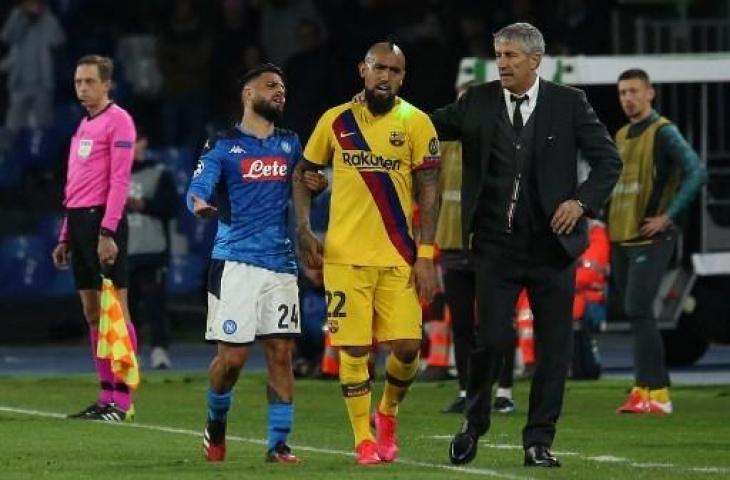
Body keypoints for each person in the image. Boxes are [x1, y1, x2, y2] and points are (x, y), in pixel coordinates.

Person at [433, 23, 621, 468]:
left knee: (554, 351)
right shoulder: (477, 101)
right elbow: (425, 125)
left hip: (552, 250)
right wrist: (383, 109)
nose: (502, 62)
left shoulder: (568, 103)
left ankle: (538, 441)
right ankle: (474, 422)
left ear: (535, 61)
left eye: (512, 55)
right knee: (492, 340)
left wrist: (581, 201)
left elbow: (608, 161)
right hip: (495, 247)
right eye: (499, 54)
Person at [293, 41, 440, 465]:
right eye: (379, 68)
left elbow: (430, 194)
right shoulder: (335, 121)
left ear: (402, 77)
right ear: (363, 69)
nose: (386, 76)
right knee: (354, 352)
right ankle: (363, 440)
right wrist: (304, 228)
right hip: (344, 257)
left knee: (409, 346)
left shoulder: (417, 123)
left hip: (398, 256)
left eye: (395, 71)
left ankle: (387, 412)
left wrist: (426, 255)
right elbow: (304, 174)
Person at [186, 63, 325, 464]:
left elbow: (304, 181)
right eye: (271, 85)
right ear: (248, 94)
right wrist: (197, 201)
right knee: (231, 360)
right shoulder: (223, 145)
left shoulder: (290, 143)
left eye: (283, 86)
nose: (281, 91)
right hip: (235, 264)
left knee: (281, 351)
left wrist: (318, 186)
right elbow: (199, 182)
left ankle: (278, 443)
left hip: (280, 264)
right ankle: (215, 424)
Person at [609, 68, 706, 415]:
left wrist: (669, 216)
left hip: (652, 237)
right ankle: (643, 390)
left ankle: (659, 394)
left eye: (634, 91)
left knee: (639, 310)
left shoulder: (663, 132)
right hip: (622, 237)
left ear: (650, 93)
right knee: (635, 314)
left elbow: (697, 170)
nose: (628, 98)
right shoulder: (621, 135)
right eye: (622, 93)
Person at [51, 55, 138, 422]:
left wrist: (107, 231)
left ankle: (124, 401)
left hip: (103, 221)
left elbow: (119, 180)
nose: (82, 87)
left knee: (114, 311)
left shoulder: (119, 122)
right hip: (79, 221)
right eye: (77, 82)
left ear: (106, 85)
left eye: (89, 81)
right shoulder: (82, 126)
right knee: (91, 313)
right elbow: (75, 184)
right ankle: (105, 396)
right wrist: (65, 234)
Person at [437, 80, 517, 416]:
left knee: (496, 323)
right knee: (461, 325)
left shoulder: (501, 140)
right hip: (453, 245)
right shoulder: (441, 145)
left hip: (489, 245)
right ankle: (469, 390)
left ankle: (504, 391)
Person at [127, 134, 177, 369]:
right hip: (123, 250)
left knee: (155, 304)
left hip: (151, 249)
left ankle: (160, 350)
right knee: (128, 308)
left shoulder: (159, 173)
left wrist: (144, 205)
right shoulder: (113, 174)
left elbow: (171, 208)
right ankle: (130, 353)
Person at [0, 0, 65, 136]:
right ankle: (8, 156)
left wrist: (46, 16)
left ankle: (40, 155)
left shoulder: (47, 21)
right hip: (19, 83)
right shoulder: (17, 18)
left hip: (42, 84)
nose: (32, 7)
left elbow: (59, 40)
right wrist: (18, 15)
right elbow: (6, 37)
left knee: (42, 127)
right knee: (12, 128)